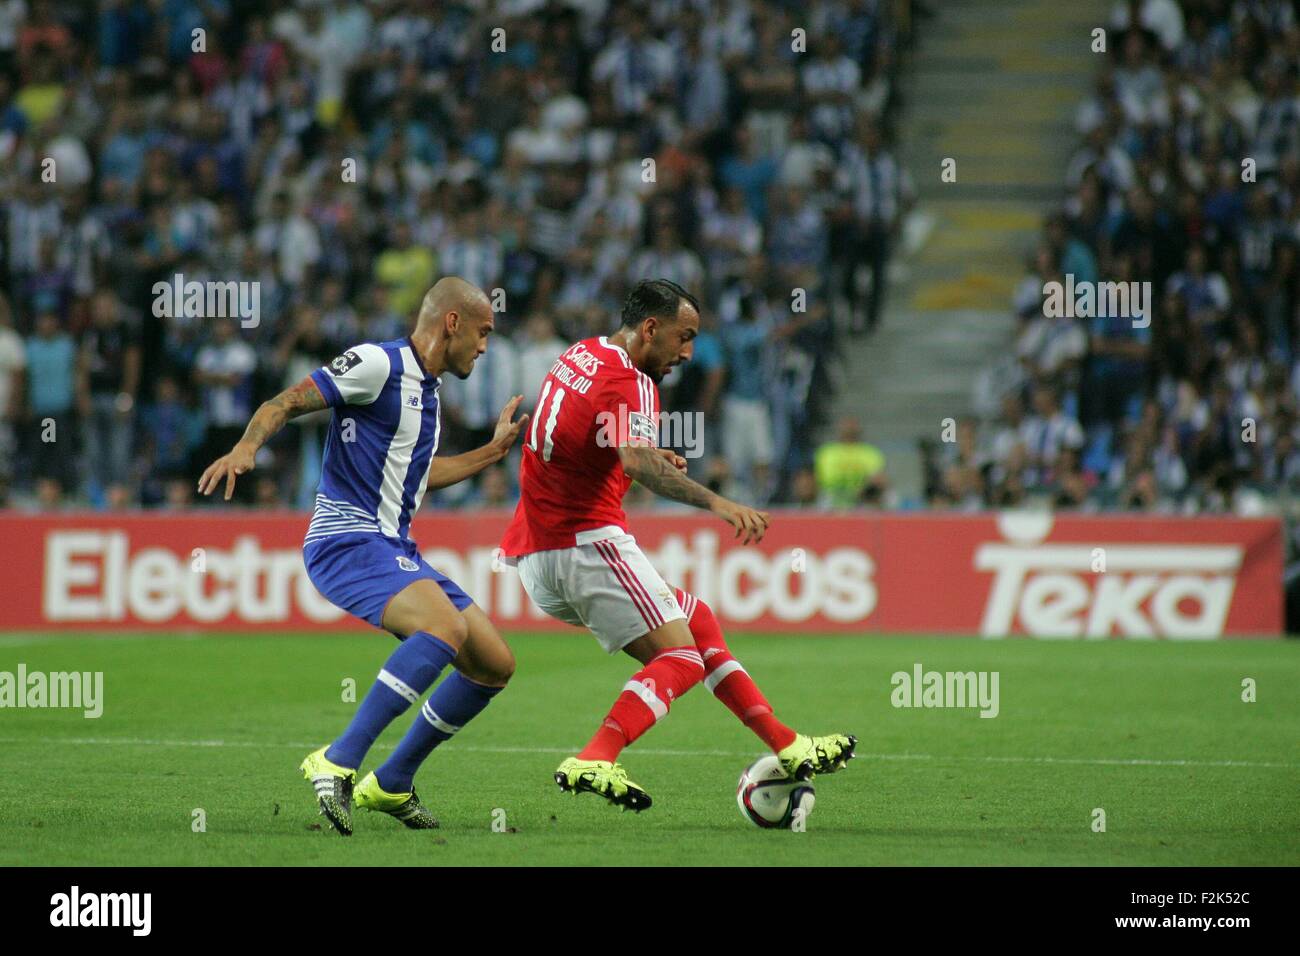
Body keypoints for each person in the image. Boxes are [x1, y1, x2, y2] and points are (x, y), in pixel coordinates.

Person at [499, 279, 855, 811]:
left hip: (534, 553)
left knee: (699, 619)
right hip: (586, 546)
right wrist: (719, 503)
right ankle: (597, 756)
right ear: (650, 328)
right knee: (684, 658)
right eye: (683, 338)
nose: (686, 354)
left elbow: (597, 443)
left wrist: (649, 454)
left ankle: (789, 744)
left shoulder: (580, 354)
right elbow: (634, 461)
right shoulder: (635, 382)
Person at [198, 277, 528, 836]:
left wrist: (493, 452)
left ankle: (393, 780)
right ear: (452, 321)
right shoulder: (378, 363)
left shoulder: (429, 393)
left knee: (494, 664)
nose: (484, 346)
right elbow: (287, 400)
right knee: (443, 627)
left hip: (393, 546)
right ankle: (338, 760)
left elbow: (420, 476)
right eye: (482, 331)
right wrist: (247, 446)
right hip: (344, 539)